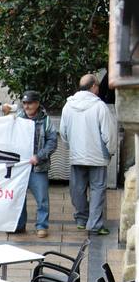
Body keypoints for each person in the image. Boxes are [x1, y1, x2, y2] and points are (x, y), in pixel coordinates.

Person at [60, 73, 115, 234]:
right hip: (98, 156)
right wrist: (110, 151)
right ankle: (95, 224)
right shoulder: (100, 106)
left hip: (76, 155)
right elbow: (108, 134)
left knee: (77, 188)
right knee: (97, 190)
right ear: (93, 87)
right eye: (97, 85)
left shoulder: (68, 106)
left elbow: (63, 132)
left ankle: (81, 219)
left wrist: (72, 147)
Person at [12, 90, 58, 238]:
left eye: (30, 103)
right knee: (19, 197)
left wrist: (39, 156)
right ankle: (19, 225)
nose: (27, 106)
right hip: (21, 166)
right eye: (24, 103)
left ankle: (42, 226)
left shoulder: (46, 120)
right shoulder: (18, 118)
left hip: (38, 167)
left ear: (37, 104)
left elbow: (52, 142)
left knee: (42, 198)